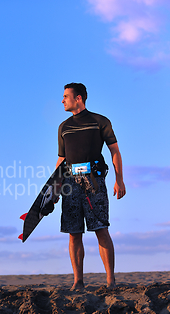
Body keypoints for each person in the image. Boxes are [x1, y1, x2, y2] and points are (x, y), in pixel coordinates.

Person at [54, 82, 125, 290]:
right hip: (70, 183)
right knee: (73, 232)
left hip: (94, 181)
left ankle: (111, 281)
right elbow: (61, 159)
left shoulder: (100, 121)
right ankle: (78, 281)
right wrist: (56, 187)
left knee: (101, 228)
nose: (62, 100)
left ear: (78, 98)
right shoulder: (64, 127)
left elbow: (115, 151)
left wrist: (119, 180)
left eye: (66, 96)